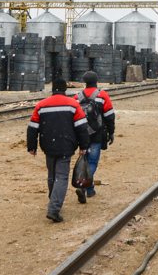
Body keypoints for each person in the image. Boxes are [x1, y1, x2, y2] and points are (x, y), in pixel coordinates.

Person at [26, 78, 89, 223]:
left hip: (48, 145)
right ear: (65, 90)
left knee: (52, 175)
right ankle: (54, 209)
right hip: (66, 146)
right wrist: (83, 146)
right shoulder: (73, 104)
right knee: (61, 177)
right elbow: (82, 128)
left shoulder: (41, 105)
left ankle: (53, 198)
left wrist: (32, 146)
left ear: (52, 89)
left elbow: (32, 128)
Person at [75, 70, 115, 203]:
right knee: (92, 162)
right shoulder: (102, 95)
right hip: (97, 133)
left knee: (84, 160)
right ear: (97, 81)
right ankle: (83, 185)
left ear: (85, 82)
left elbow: (72, 116)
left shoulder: (77, 96)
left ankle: (90, 189)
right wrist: (111, 132)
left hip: (81, 134)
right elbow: (109, 116)